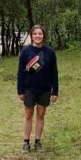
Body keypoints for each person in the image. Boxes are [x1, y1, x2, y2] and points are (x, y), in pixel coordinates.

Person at [17, 24, 58, 152]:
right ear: (31, 35)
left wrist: (55, 91)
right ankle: (26, 142)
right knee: (28, 115)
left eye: (40, 34)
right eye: (35, 34)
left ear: (43, 35)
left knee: (41, 115)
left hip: (45, 89)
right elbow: (20, 72)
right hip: (29, 89)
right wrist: (20, 90)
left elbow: (54, 73)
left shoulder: (50, 52)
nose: (37, 36)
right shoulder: (25, 51)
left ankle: (38, 141)